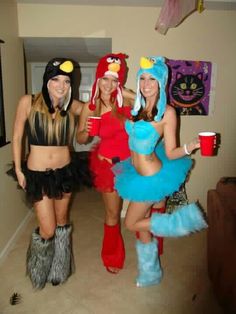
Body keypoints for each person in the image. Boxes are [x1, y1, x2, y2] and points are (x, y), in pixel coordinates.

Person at [113, 56, 208, 287]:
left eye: (152, 79)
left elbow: (172, 151)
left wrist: (191, 147)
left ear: (161, 82)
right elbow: (118, 92)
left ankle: (180, 222)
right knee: (142, 224)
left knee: (131, 223)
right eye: (142, 78)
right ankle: (150, 273)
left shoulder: (167, 113)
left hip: (151, 177)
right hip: (136, 173)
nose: (146, 84)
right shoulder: (137, 107)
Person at [11, 57, 85, 289]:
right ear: (46, 80)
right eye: (55, 79)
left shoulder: (72, 106)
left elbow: (100, 105)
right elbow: (16, 138)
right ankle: (38, 268)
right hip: (37, 174)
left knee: (62, 222)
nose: (61, 85)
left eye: (65, 81)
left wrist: (115, 86)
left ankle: (59, 269)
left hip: (65, 172)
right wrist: (18, 169)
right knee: (48, 228)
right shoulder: (29, 101)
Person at [77, 53, 134, 274]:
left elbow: (151, 101)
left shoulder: (127, 100)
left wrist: (125, 91)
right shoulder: (90, 107)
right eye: (105, 79)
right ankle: (112, 255)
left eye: (114, 80)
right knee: (113, 213)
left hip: (135, 161)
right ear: (98, 79)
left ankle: (152, 247)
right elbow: (79, 138)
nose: (109, 85)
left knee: (149, 205)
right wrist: (87, 132)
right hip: (110, 166)